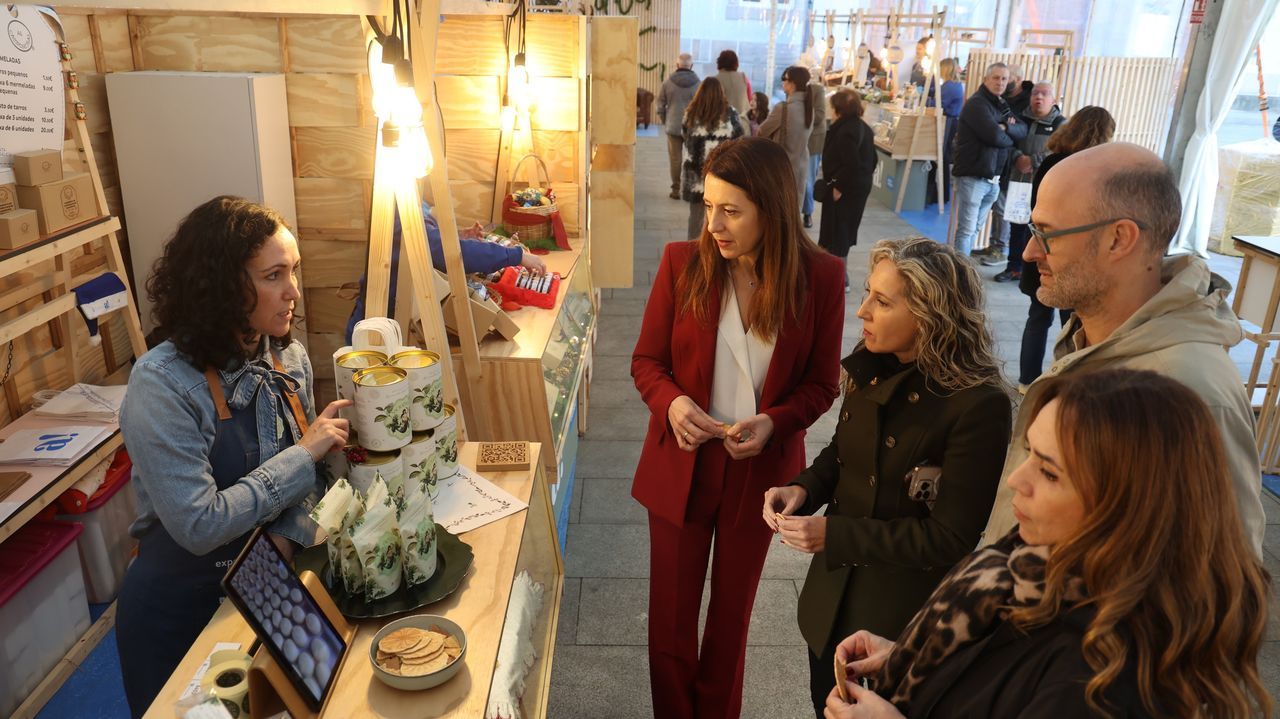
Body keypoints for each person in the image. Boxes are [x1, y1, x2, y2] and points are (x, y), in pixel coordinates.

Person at [823, 369, 1272, 719]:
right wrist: (917, 656)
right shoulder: (1043, 564)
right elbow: (1002, 675)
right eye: (1030, 454)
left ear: (1129, 506)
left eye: (1050, 472)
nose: (1017, 480)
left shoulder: (1104, 681)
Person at [632, 136, 845, 719]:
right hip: (681, 466)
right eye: (708, 206)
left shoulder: (822, 277)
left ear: (771, 209)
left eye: (731, 211)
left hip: (760, 478)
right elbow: (647, 362)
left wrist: (775, 422)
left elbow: (822, 385)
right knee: (671, 623)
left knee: (731, 620)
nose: (714, 225)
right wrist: (672, 404)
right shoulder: (682, 263)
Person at [116, 196, 351, 716]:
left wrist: (287, 535)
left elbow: (309, 480)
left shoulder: (286, 356)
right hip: (182, 608)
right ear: (220, 286)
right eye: (273, 276)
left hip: (268, 586)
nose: (293, 291)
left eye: (293, 271)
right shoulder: (160, 385)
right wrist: (303, 455)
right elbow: (199, 524)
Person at [982, 142, 1266, 558]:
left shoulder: (1190, 391)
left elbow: (1224, 574)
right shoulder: (1092, 339)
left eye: (1046, 234)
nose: (1029, 252)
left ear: (1119, 239)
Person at [766, 237, 1011, 718]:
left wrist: (835, 535)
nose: (862, 311)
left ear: (929, 314)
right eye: (867, 295)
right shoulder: (872, 363)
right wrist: (803, 489)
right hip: (829, 605)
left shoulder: (978, 404)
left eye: (881, 301)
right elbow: (843, 454)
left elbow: (951, 537)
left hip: (897, 623)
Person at [344, 202, 545, 342]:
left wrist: (460, 236)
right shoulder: (399, 212)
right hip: (378, 336)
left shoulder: (410, 201)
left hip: (393, 327)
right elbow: (446, 252)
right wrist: (517, 256)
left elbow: (433, 242)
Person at [1015, 106, 1113, 390]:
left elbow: (1036, 208)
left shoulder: (1050, 161)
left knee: (1037, 317)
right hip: (1069, 251)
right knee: (1072, 323)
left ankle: (1027, 381)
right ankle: (1069, 384)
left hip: (1039, 242)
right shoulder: (1093, 169)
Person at [950, 63, 1026, 258]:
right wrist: (1008, 136)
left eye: (1004, 79)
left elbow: (1022, 129)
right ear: (986, 79)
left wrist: (1005, 128)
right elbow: (994, 137)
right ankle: (959, 271)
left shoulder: (1001, 104)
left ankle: (962, 266)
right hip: (974, 177)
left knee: (974, 229)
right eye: (996, 77)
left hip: (993, 179)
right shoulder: (977, 104)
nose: (1000, 82)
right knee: (967, 230)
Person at [993, 82, 1064, 283]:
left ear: (1053, 99)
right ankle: (1013, 267)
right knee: (1017, 226)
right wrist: (1017, 157)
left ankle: (1033, 273)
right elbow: (1008, 143)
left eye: (1044, 94)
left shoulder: (1060, 124)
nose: (1038, 97)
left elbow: (1058, 151)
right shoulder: (1020, 119)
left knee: (1038, 229)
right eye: (1035, 94)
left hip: (1045, 186)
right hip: (1019, 183)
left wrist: (1032, 161)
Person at [815, 88, 876, 289]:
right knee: (843, 232)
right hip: (858, 190)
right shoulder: (863, 128)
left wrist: (838, 188)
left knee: (836, 233)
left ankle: (838, 279)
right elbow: (872, 160)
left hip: (844, 191)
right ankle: (837, 276)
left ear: (839, 109)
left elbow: (851, 163)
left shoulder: (845, 131)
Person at [680, 77, 745, 241]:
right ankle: (716, 249)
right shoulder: (730, 114)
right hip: (723, 175)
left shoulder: (690, 114)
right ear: (721, 93)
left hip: (696, 175)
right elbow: (740, 140)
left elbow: (684, 137)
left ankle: (694, 249)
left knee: (695, 217)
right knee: (721, 217)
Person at [758, 65, 814, 214]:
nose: (782, 82)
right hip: (800, 167)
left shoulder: (783, 108)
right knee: (793, 212)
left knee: (778, 212)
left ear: (793, 83)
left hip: (781, 168)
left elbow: (761, 132)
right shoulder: (809, 109)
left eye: (785, 79)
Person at [658, 53, 700, 200]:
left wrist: (666, 120)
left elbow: (660, 105)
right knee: (693, 158)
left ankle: (676, 190)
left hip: (673, 126)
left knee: (675, 160)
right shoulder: (699, 85)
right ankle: (691, 188)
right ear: (691, 66)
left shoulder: (667, 83)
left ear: (677, 65)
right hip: (693, 127)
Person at [925, 57, 964, 205]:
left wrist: (925, 99)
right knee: (943, 156)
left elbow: (938, 103)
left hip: (947, 122)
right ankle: (941, 193)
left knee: (941, 156)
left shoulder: (950, 86)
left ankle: (939, 193)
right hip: (950, 121)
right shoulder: (954, 85)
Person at [802, 78, 828, 229]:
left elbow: (819, 116)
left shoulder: (816, 90)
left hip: (813, 141)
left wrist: (798, 112)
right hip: (796, 141)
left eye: (786, 80)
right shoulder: (792, 94)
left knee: (808, 180)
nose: (784, 84)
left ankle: (808, 212)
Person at [715, 49, 751, 119]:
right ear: (736, 63)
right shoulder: (743, 76)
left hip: (725, 121)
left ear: (719, 62)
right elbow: (749, 98)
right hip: (744, 119)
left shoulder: (716, 80)